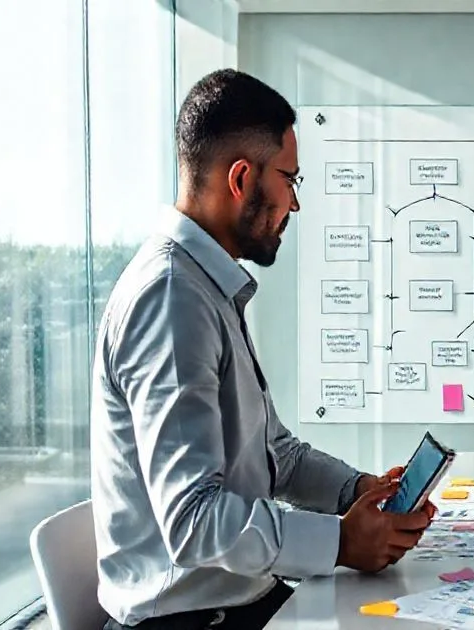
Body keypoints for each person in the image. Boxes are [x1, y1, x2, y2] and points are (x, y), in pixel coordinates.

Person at [90, 69, 434, 630]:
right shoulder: (174, 299)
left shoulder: (207, 288)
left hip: (240, 601)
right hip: (193, 619)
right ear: (242, 178)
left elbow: (276, 455)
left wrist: (359, 491)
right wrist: (340, 542)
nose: (294, 203)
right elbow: (193, 521)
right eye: (289, 179)